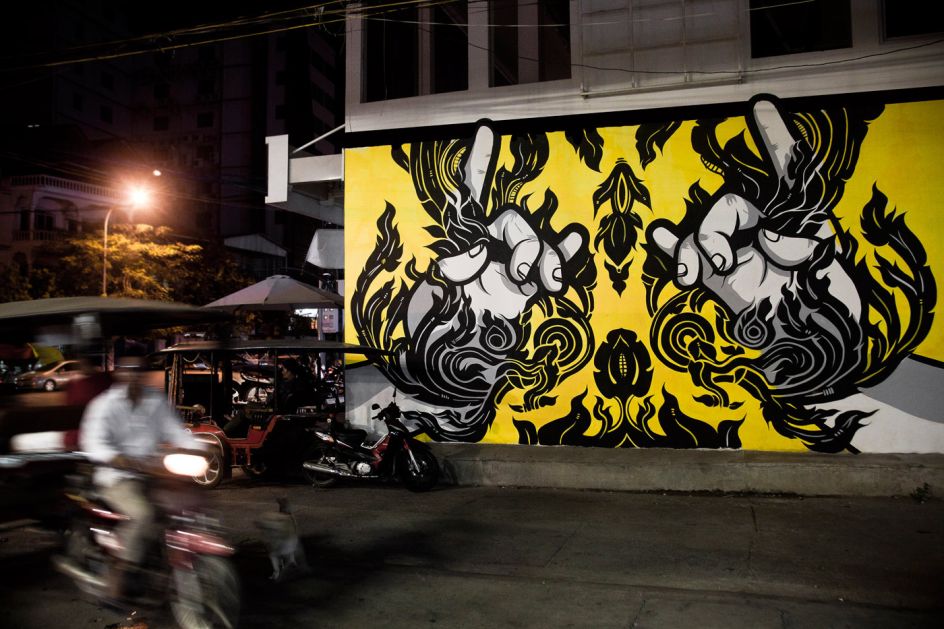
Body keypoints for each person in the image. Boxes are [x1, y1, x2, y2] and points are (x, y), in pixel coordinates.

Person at [79, 355, 201, 602]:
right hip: (117, 477)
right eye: (128, 370)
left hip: (153, 472)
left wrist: (200, 448)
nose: (133, 375)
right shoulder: (104, 405)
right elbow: (92, 442)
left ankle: (167, 560)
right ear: (118, 373)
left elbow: (175, 431)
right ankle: (121, 572)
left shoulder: (156, 400)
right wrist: (115, 457)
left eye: (138, 370)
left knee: (186, 504)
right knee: (143, 514)